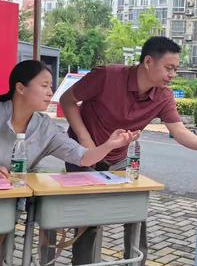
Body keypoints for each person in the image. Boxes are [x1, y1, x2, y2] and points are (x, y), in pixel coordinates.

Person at [60, 36, 197, 266]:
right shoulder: (107, 76)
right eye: (169, 68)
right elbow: (67, 100)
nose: (173, 74)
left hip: (117, 158)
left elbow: (179, 131)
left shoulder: (163, 96)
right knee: (91, 218)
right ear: (148, 62)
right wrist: (85, 140)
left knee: (135, 209)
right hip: (83, 155)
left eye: (175, 69)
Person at [0, 60, 137, 179]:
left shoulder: (46, 128)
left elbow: (83, 158)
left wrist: (109, 145)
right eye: (44, 86)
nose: (50, 93)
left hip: (16, 197)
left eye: (50, 87)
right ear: (20, 88)